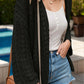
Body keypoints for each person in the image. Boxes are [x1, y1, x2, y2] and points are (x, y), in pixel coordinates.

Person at [12, 0, 76, 84]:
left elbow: (66, 27)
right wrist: (31, 80)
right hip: (36, 69)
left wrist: (68, 41)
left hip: (61, 67)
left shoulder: (66, 1)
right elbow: (20, 45)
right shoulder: (28, 2)